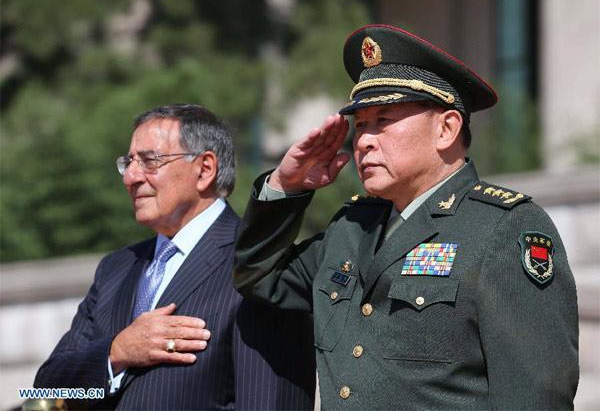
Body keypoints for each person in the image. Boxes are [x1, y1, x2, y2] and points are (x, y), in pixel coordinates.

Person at [234, 25, 579, 409]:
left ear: (446, 128)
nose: (364, 140)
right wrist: (286, 185)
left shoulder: (504, 227)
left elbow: (536, 396)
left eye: (384, 120)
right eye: (360, 125)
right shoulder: (352, 226)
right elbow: (259, 276)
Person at [35, 104, 315, 410]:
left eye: (149, 161)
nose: (130, 177)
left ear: (205, 169)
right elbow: (45, 396)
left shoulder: (260, 266)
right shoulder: (115, 269)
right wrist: (116, 352)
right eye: (128, 162)